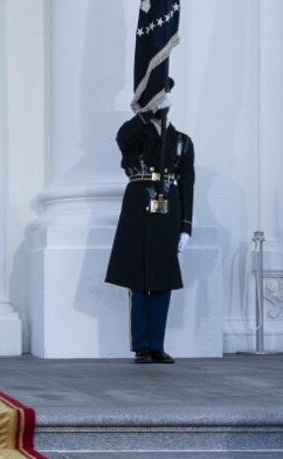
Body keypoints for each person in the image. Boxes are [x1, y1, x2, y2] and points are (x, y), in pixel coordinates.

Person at [105, 77, 194, 365]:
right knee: (139, 279)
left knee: (162, 279)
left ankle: (157, 344)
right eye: (156, 97)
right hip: (139, 207)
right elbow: (122, 137)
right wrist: (145, 112)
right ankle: (141, 345)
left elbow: (187, 186)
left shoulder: (182, 141)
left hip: (168, 209)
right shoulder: (137, 134)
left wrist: (186, 227)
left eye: (164, 95)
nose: (161, 102)